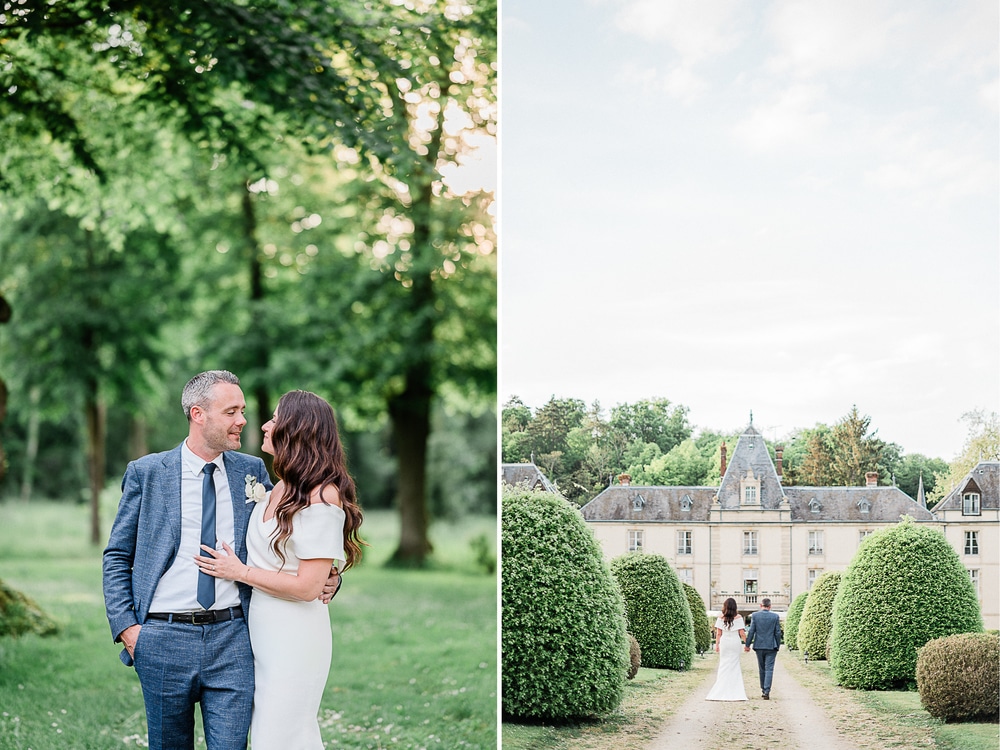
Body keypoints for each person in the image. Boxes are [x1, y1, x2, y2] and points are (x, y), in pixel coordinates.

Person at [102, 371, 340, 750]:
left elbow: (293, 536)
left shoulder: (252, 471)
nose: (243, 420)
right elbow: (117, 555)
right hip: (162, 637)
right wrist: (128, 629)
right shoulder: (147, 473)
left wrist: (330, 576)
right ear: (198, 414)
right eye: (231, 411)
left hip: (234, 639)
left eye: (242, 410)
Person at [195, 389, 366, 750]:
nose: (264, 425)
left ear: (297, 429)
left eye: (274, 419)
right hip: (262, 631)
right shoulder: (279, 488)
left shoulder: (323, 495)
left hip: (295, 635)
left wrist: (238, 571)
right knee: (270, 735)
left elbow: (307, 587)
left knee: (282, 735)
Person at [705, 597, 748, 701]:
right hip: (734, 642)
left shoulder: (720, 617)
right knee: (735, 664)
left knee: (723, 665)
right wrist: (747, 643)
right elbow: (742, 633)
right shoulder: (738, 617)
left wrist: (717, 645)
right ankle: (735, 690)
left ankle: (721, 688)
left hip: (724, 642)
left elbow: (718, 634)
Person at [744, 597, 782, 699]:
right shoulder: (775, 616)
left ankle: (763, 689)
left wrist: (747, 645)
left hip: (759, 645)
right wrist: (778, 645)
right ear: (770, 606)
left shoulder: (755, 616)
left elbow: (751, 631)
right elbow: (778, 632)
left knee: (762, 668)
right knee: (769, 669)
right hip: (771, 646)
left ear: (761, 605)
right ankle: (766, 690)